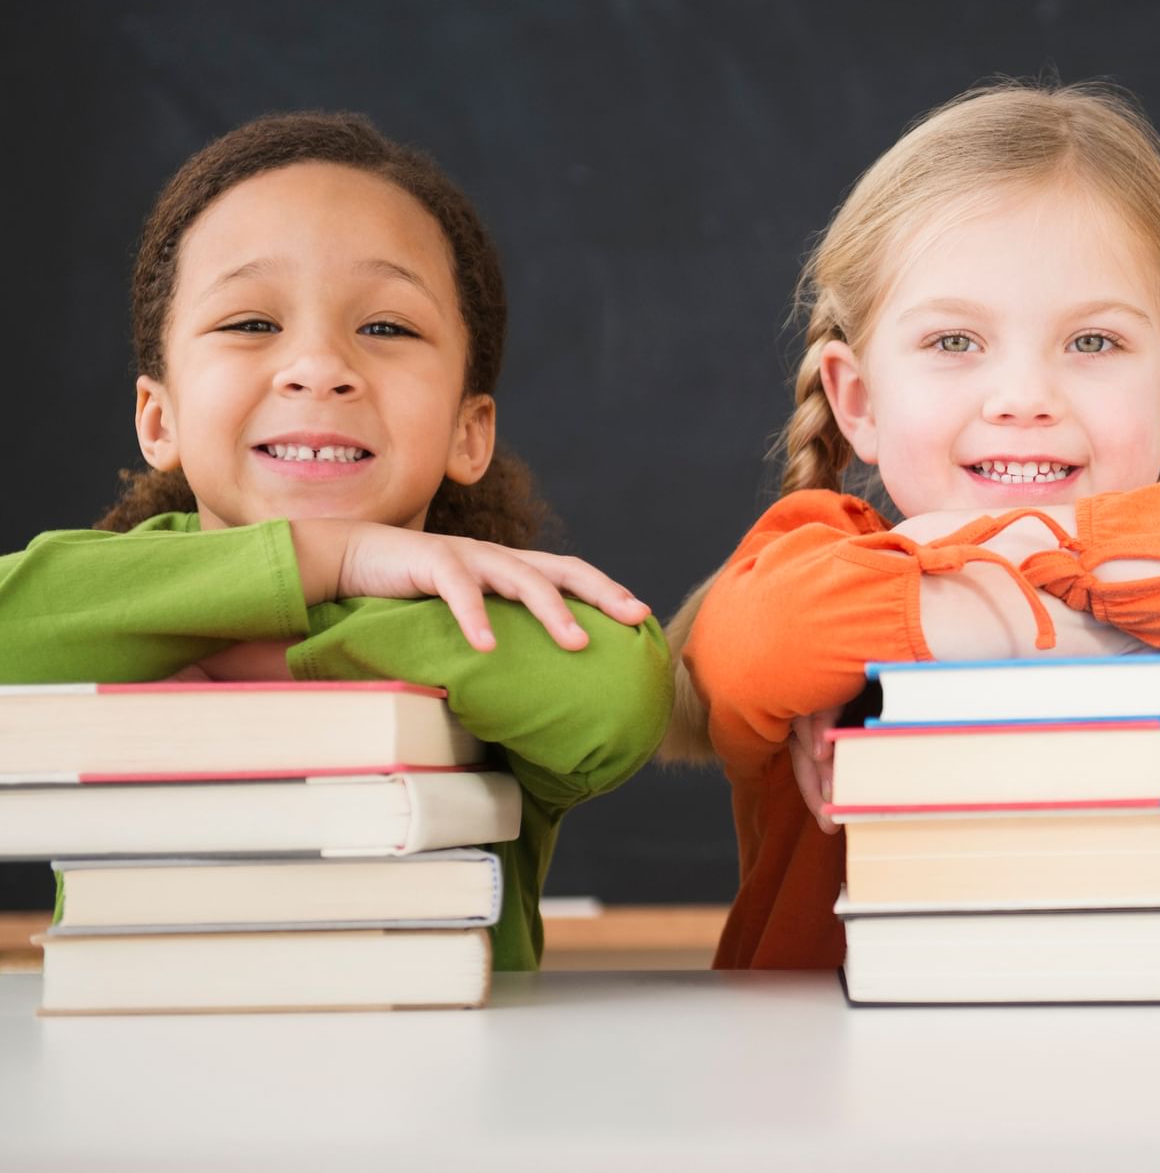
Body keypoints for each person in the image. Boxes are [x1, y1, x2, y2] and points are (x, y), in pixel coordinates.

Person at [670, 81, 1160, 967]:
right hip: (836, 1075)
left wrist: (968, 570)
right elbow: (755, 651)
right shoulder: (811, 552)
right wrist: (1023, 603)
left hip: (1140, 1055)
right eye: (955, 342)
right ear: (857, 398)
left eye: (1092, 343)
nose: (1025, 399)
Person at [0, 112, 672, 966]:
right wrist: (334, 557)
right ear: (158, 418)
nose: (318, 365)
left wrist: (258, 638)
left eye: (386, 327)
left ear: (470, 432)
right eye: (249, 322)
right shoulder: (106, 586)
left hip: (457, 1085)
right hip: (143, 1073)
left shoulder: (494, 611)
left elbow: (618, 696)